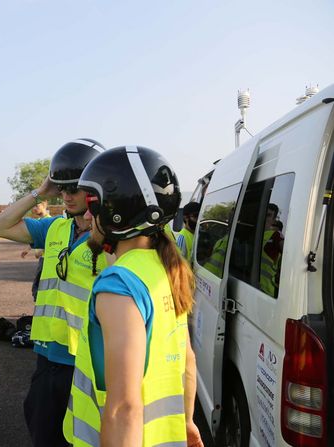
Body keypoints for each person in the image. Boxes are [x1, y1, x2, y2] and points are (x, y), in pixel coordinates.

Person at [64, 145, 203, 446]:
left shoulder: (119, 285)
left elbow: (123, 408)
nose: (87, 215)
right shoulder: (167, 268)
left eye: (93, 204)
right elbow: (187, 360)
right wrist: (187, 422)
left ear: (116, 212)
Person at [0, 138, 107, 447]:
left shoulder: (112, 238)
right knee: (43, 434)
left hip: (87, 362)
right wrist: (40, 192)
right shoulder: (55, 228)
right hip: (47, 357)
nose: (66, 195)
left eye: (74, 189)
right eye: (62, 188)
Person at [20, 200, 50, 301]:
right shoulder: (39, 221)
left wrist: (39, 251)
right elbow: (36, 238)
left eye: (37, 206)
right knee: (38, 286)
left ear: (44, 205)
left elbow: (49, 240)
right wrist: (28, 249)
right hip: (42, 259)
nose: (34, 208)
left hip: (47, 259)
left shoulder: (50, 221)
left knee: (38, 286)